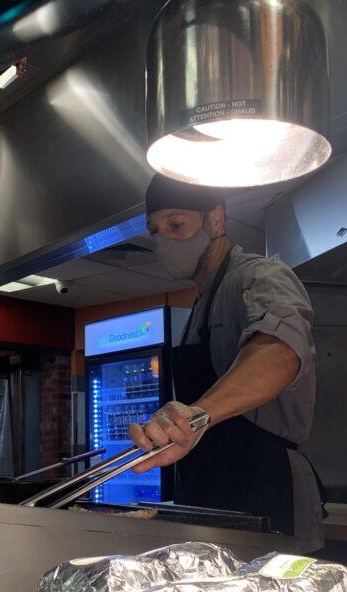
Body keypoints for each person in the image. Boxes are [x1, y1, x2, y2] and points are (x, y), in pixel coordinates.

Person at [128, 174, 325, 553]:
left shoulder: (259, 276)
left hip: (266, 491)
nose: (164, 241)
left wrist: (195, 416)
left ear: (216, 220)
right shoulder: (200, 303)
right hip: (212, 494)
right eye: (155, 231)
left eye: (176, 224)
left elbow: (279, 351)